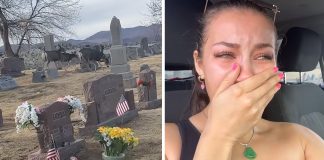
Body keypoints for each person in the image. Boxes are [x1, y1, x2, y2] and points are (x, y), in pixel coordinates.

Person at [165, 1, 324, 160]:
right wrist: (220, 135)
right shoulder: (167, 143)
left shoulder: (302, 139)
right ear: (199, 65)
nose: (247, 74)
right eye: (225, 54)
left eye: (263, 56)